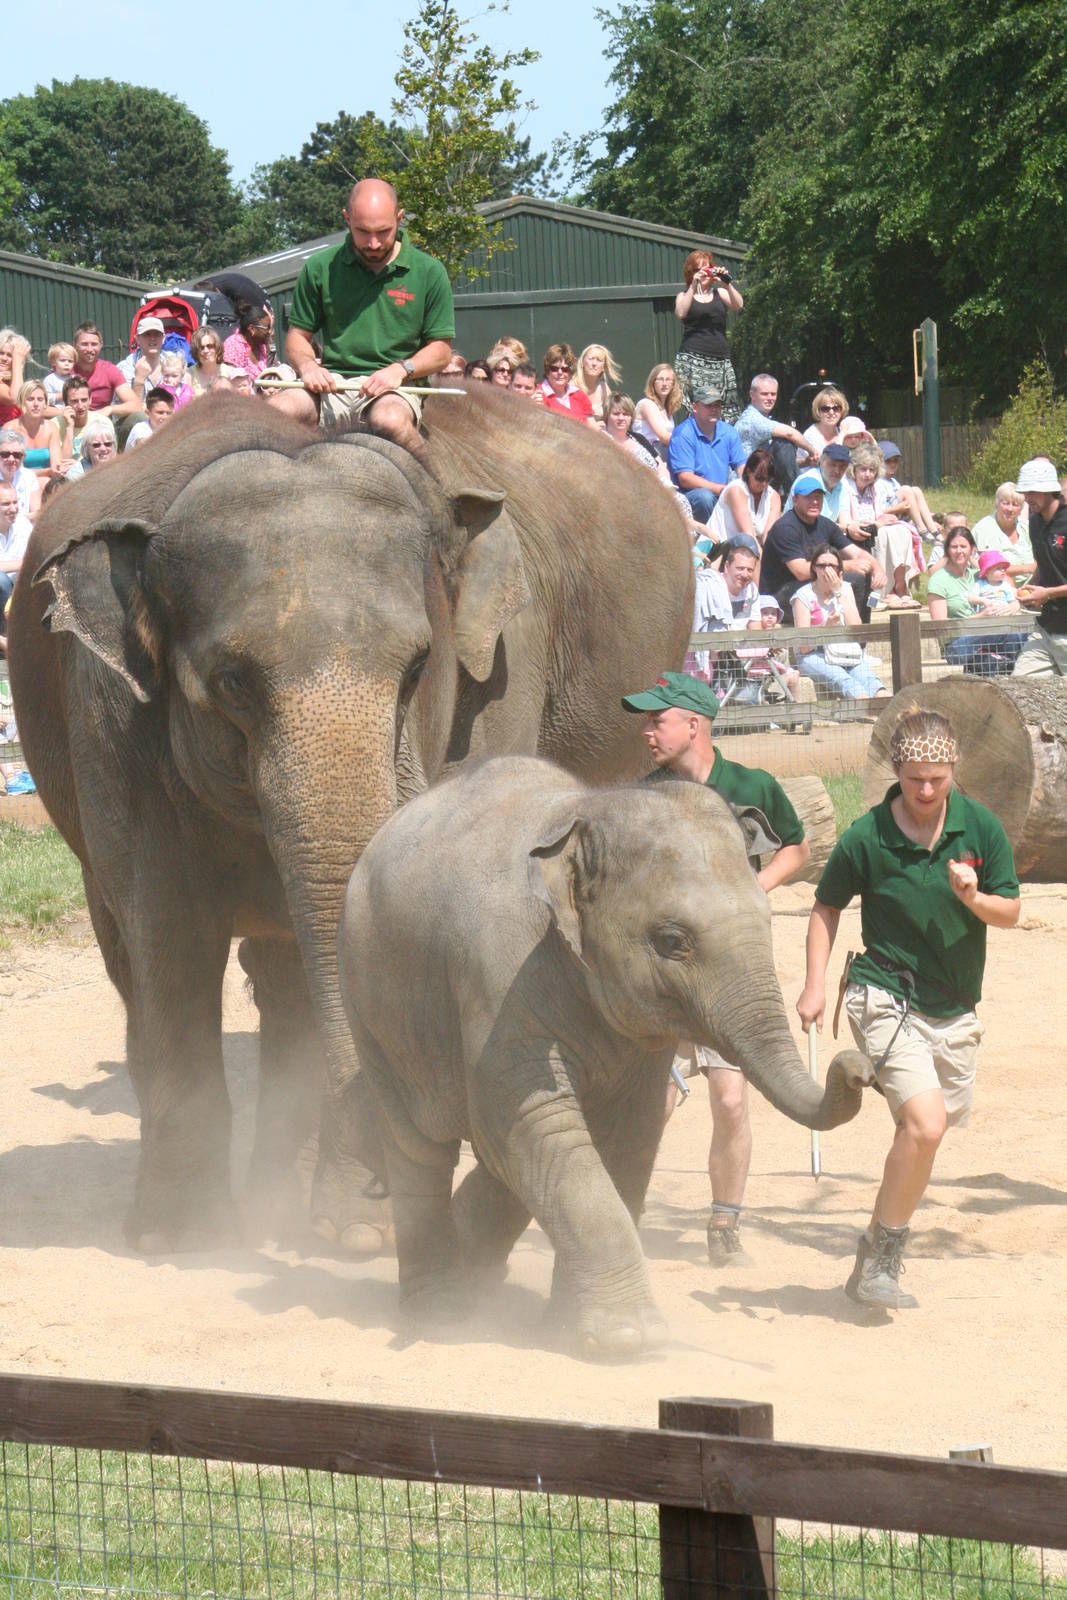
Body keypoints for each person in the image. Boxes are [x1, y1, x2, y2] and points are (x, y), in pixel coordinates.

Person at [797, 707, 1019, 1308]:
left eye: (937, 779)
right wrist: (816, 983)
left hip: (953, 1008)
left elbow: (1011, 911)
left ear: (954, 770)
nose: (925, 791)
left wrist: (975, 898)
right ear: (896, 769)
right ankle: (884, 1261)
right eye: (915, 777)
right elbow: (826, 907)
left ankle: (870, 1250)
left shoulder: (981, 829)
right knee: (926, 1124)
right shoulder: (868, 834)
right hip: (882, 991)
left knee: (920, 1134)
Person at [621, 670, 809, 1262]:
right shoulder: (644, 797)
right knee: (654, 1104)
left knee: (730, 1100)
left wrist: (752, 891)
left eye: (658, 720)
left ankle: (724, 1227)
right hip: (667, 977)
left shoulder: (750, 786)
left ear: (694, 725)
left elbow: (797, 849)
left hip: (730, 977)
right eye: (646, 721)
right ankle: (621, 1216)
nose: (647, 731)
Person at [270, 179, 454, 459]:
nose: (373, 243)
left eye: (383, 231)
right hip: (332, 387)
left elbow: (441, 351)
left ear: (400, 218)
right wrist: (307, 366)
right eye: (362, 231)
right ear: (347, 219)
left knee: (389, 420)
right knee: (275, 412)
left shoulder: (429, 272)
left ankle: (437, 487)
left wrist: (400, 369)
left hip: (394, 389)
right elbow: (297, 337)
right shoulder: (320, 268)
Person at [761, 470, 885, 620]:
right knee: (846, 580)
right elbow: (800, 571)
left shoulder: (825, 524)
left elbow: (857, 553)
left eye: (818, 497)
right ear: (795, 500)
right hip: (779, 596)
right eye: (809, 497)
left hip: (811, 585)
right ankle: (839, 636)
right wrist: (846, 566)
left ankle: (859, 638)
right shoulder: (785, 528)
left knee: (861, 577)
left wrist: (877, 568)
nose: (814, 502)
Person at [791, 543, 889, 700]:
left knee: (874, 683)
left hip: (844, 650)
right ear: (814, 568)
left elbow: (857, 630)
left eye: (832, 566)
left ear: (839, 570)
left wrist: (838, 592)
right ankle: (866, 713)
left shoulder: (845, 589)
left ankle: (890, 714)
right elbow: (803, 647)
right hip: (814, 654)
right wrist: (825, 628)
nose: (827, 570)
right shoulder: (802, 596)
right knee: (846, 681)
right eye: (822, 565)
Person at [838, 444, 919, 609]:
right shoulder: (844, 488)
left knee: (902, 530)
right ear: (854, 469)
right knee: (881, 534)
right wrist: (878, 523)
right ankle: (883, 592)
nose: (867, 474)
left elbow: (878, 514)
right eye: (863, 469)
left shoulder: (875, 490)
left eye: (872, 470)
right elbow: (850, 523)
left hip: (872, 530)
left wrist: (883, 520)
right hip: (852, 537)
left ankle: (899, 587)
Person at [1012, 458, 1067, 676]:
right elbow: (1045, 564)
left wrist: (1047, 593)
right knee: (1019, 689)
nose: (1027, 499)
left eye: (1032, 492)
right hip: (1044, 631)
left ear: (1048, 490)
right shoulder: (1034, 522)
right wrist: (1030, 585)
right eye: (1025, 492)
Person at [673, 250, 744, 418]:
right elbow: (681, 313)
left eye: (707, 268)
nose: (704, 272)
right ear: (691, 272)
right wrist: (693, 286)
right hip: (692, 358)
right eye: (699, 269)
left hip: (719, 359)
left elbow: (738, 305)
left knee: (722, 406)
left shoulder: (720, 293)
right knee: (699, 406)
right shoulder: (684, 295)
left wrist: (726, 283)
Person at [667, 385, 747, 524]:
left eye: (717, 405)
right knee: (705, 497)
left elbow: (742, 467)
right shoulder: (683, 434)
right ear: (695, 407)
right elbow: (685, 478)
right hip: (690, 497)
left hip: (721, 493)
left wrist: (748, 485)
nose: (714, 409)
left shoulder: (728, 431)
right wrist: (722, 490)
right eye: (709, 405)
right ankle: (710, 542)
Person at [689, 540, 761, 686]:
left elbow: (756, 631)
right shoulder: (711, 588)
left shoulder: (752, 590)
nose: (745, 574)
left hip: (738, 652)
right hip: (713, 653)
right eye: (740, 568)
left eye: (750, 570)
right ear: (727, 567)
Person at [734, 373, 814, 491]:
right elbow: (790, 433)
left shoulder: (765, 419)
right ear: (752, 395)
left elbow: (783, 463)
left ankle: (797, 496)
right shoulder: (752, 419)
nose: (770, 398)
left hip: (761, 475)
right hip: (747, 483)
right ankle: (799, 493)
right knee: (783, 443)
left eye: (773, 394)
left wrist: (805, 462)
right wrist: (813, 451)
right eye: (764, 394)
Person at [706, 445, 780, 553]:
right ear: (749, 471)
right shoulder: (736, 490)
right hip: (716, 551)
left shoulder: (774, 497)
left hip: (745, 554)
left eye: (768, 479)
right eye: (759, 478)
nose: (764, 484)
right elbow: (748, 537)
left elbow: (769, 538)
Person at [71, 323, 139, 420]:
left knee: (138, 417)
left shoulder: (109, 370)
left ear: (101, 345)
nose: (90, 349)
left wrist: (110, 409)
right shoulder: (66, 370)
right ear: (75, 345)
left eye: (94, 344)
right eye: (84, 344)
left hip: (101, 423)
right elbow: (46, 406)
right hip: (73, 421)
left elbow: (136, 405)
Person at [971, 482, 1035, 581]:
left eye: (1015, 505)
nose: (1010, 509)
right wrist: (1028, 568)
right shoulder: (983, 529)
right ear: (997, 504)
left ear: (1021, 508)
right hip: (996, 586)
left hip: (1032, 584)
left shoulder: (1026, 527)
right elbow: (991, 568)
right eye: (1005, 503)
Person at [878, 441, 939, 538]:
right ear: (878, 462)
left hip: (902, 513)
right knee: (906, 489)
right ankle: (922, 529)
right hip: (888, 515)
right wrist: (900, 508)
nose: (893, 464)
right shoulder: (877, 482)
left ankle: (933, 529)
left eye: (895, 461)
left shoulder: (893, 481)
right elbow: (879, 510)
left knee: (916, 490)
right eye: (888, 461)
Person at [14, 381, 68, 477]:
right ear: (21, 402)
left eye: (40, 399)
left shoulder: (51, 428)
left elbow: (57, 465)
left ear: (45, 403)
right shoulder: (11, 429)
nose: (36, 404)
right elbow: (13, 470)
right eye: (30, 399)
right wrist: (46, 472)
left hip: (48, 481)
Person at [0, 483, 32, 637]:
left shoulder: (23, 524)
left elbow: (35, 558)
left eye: (15, 502)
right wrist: (22, 564)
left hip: (20, 586)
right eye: (6, 504)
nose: (13, 509)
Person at [633, 364, 681, 459]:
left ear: (673, 384)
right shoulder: (647, 404)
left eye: (668, 380)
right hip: (647, 456)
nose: (664, 383)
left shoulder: (667, 409)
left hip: (663, 454)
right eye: (660, 379)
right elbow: (664, 437)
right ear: (653, 383)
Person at [540, 344, 597, 424]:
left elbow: (592, 425)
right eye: (554, 369)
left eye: (565, 369)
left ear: (570, 372)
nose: (560, 372)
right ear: (547, 371)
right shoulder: (539, 395)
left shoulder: (579, 394)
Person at [117, 314, 167, 403]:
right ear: (137, 339)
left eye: (157, 334)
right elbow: (128, 410)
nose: (152, 338)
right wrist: (139, 380)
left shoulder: (175, 362)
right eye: (146, 335)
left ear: (163, 338)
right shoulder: (124, 368)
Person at [223, 302, 274, 385]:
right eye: (267, 328)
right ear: (252, 329)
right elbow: (233, 381)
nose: (270, 332)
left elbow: (273, 370)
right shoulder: (233, 345)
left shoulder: (263, 346)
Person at [798, 387, 849, 464]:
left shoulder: (844, 433)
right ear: (818, 411)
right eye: (825, 409)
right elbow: (831, 461)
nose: (831, 412)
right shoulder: (810, 435)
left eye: (836, 408)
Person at [575, 344, 621, 424]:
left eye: (599, 360)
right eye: (591, 359)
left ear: (603, 367)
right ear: (582, 362)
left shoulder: (603, 388)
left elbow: (614, 416)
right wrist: (593, 426)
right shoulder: (572, 387)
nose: (594, 364)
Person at [0, 430, 41, 518]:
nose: (11, 459)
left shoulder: (29, 477)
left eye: (16, 455)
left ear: (23, 457)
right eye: (5, 454)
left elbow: (37, 513)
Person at [64, 417, 118, 482]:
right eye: (96, 445)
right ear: (87, 448)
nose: (103, 449)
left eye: (108, 444)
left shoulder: (122, 469)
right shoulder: (75, 476)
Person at [187, 327, 227, 396]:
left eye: (210, 346)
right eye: (201, 348)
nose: (206, 351)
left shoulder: (231, 373)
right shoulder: (188, 375)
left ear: (217, 347)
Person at [0, 329, 31, 409]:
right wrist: (17, 362)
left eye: (10, 355)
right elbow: (14, 398)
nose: (4, 358)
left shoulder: (15, 381)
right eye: (1, 353)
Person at [43, 342, 76, 409]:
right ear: (53, 362)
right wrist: (61, 395)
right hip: (56, 412)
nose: (67, 363)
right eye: (63, 360)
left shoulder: (74, 378)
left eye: (70, 361)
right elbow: (44, 399)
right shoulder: (50, 380)